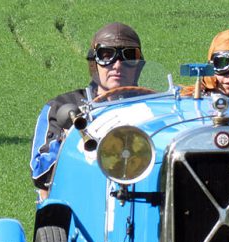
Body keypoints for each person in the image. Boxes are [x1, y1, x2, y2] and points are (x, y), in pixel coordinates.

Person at [30, 22, 145, 193]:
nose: (118, 65)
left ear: (138, 65)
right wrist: (68, 139)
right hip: (83, 198)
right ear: (94, 63)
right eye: (106, 56)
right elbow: (41, 173)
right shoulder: (61, 106)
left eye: (128, 56)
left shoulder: (155, 106)